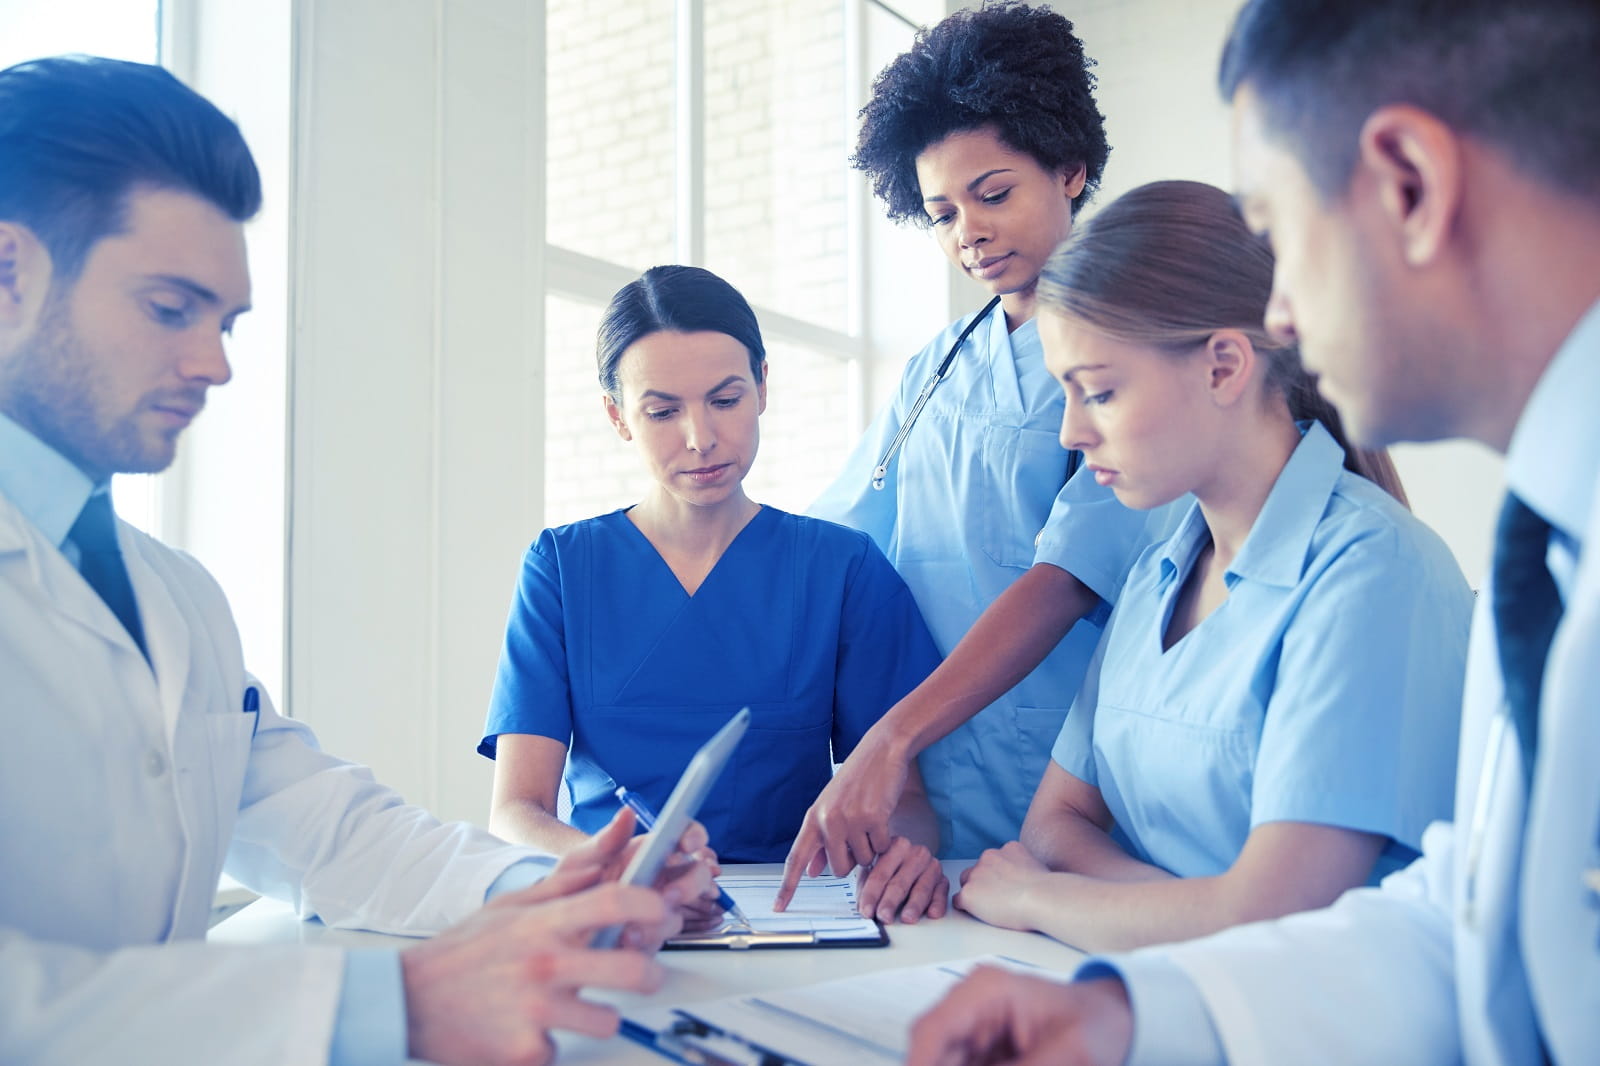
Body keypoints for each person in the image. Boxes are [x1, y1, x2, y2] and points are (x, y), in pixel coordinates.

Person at [906, 0, 1600, 1061]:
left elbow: (1298, 908)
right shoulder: (1549, 545)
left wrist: (1100, 908)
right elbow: (1466, 924)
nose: (1277, 315)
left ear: (1408, 183)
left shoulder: (1392, 566)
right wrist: (1122, 1009)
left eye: (1276, 231)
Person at [0, 55, 714, 1066]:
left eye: (226, 321)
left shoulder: (173, 595)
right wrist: (382, 1004)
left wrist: (551, 891)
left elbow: (327, 830)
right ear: (10, 271)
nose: (214, 364)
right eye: (170, 308)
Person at [951, 179, 1472, 954]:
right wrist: (1206, 908)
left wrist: (1042, 898)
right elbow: (1053, 824)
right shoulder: (1159, 569)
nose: (1070, 432)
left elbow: (1280, 926)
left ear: (1224, 367)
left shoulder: (1374, 575)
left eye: (1097, 392)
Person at [781, 0, 1169, 910]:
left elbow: (1070, 575)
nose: (968, 234)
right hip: (935, 790)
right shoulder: (935, 366)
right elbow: (843, 546)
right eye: (942, 212)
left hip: (1074, 780)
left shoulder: (1128, 350)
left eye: (993, 195)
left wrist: (891, 740)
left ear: (1070, 170)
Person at [479, 264, 950, 922]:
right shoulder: (562, 567)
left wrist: (903, 858)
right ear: (618, 417)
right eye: (662, 411)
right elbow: (516, 811)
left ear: (762, 386)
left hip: (796, 912)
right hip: (612, 908)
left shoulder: (842, 568)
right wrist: (611, 868)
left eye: (725, 400)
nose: (700, 437)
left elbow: (906, 802)